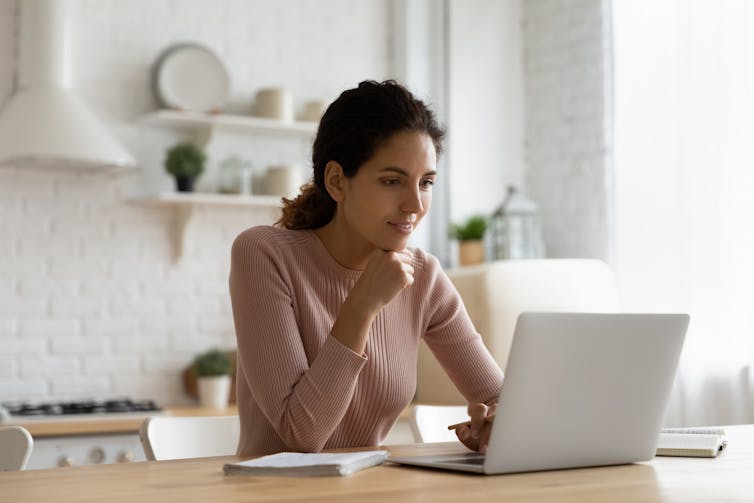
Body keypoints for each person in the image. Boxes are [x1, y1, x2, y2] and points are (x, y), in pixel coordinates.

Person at [229, 80, 503, 457]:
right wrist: (362, 306)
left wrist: (494, 427)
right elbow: (302, 435)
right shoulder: (265, 254)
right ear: (338, 182)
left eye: (425, 183)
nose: (414, 205)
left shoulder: (423, 277)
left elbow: (499, 398)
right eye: (392, 181)